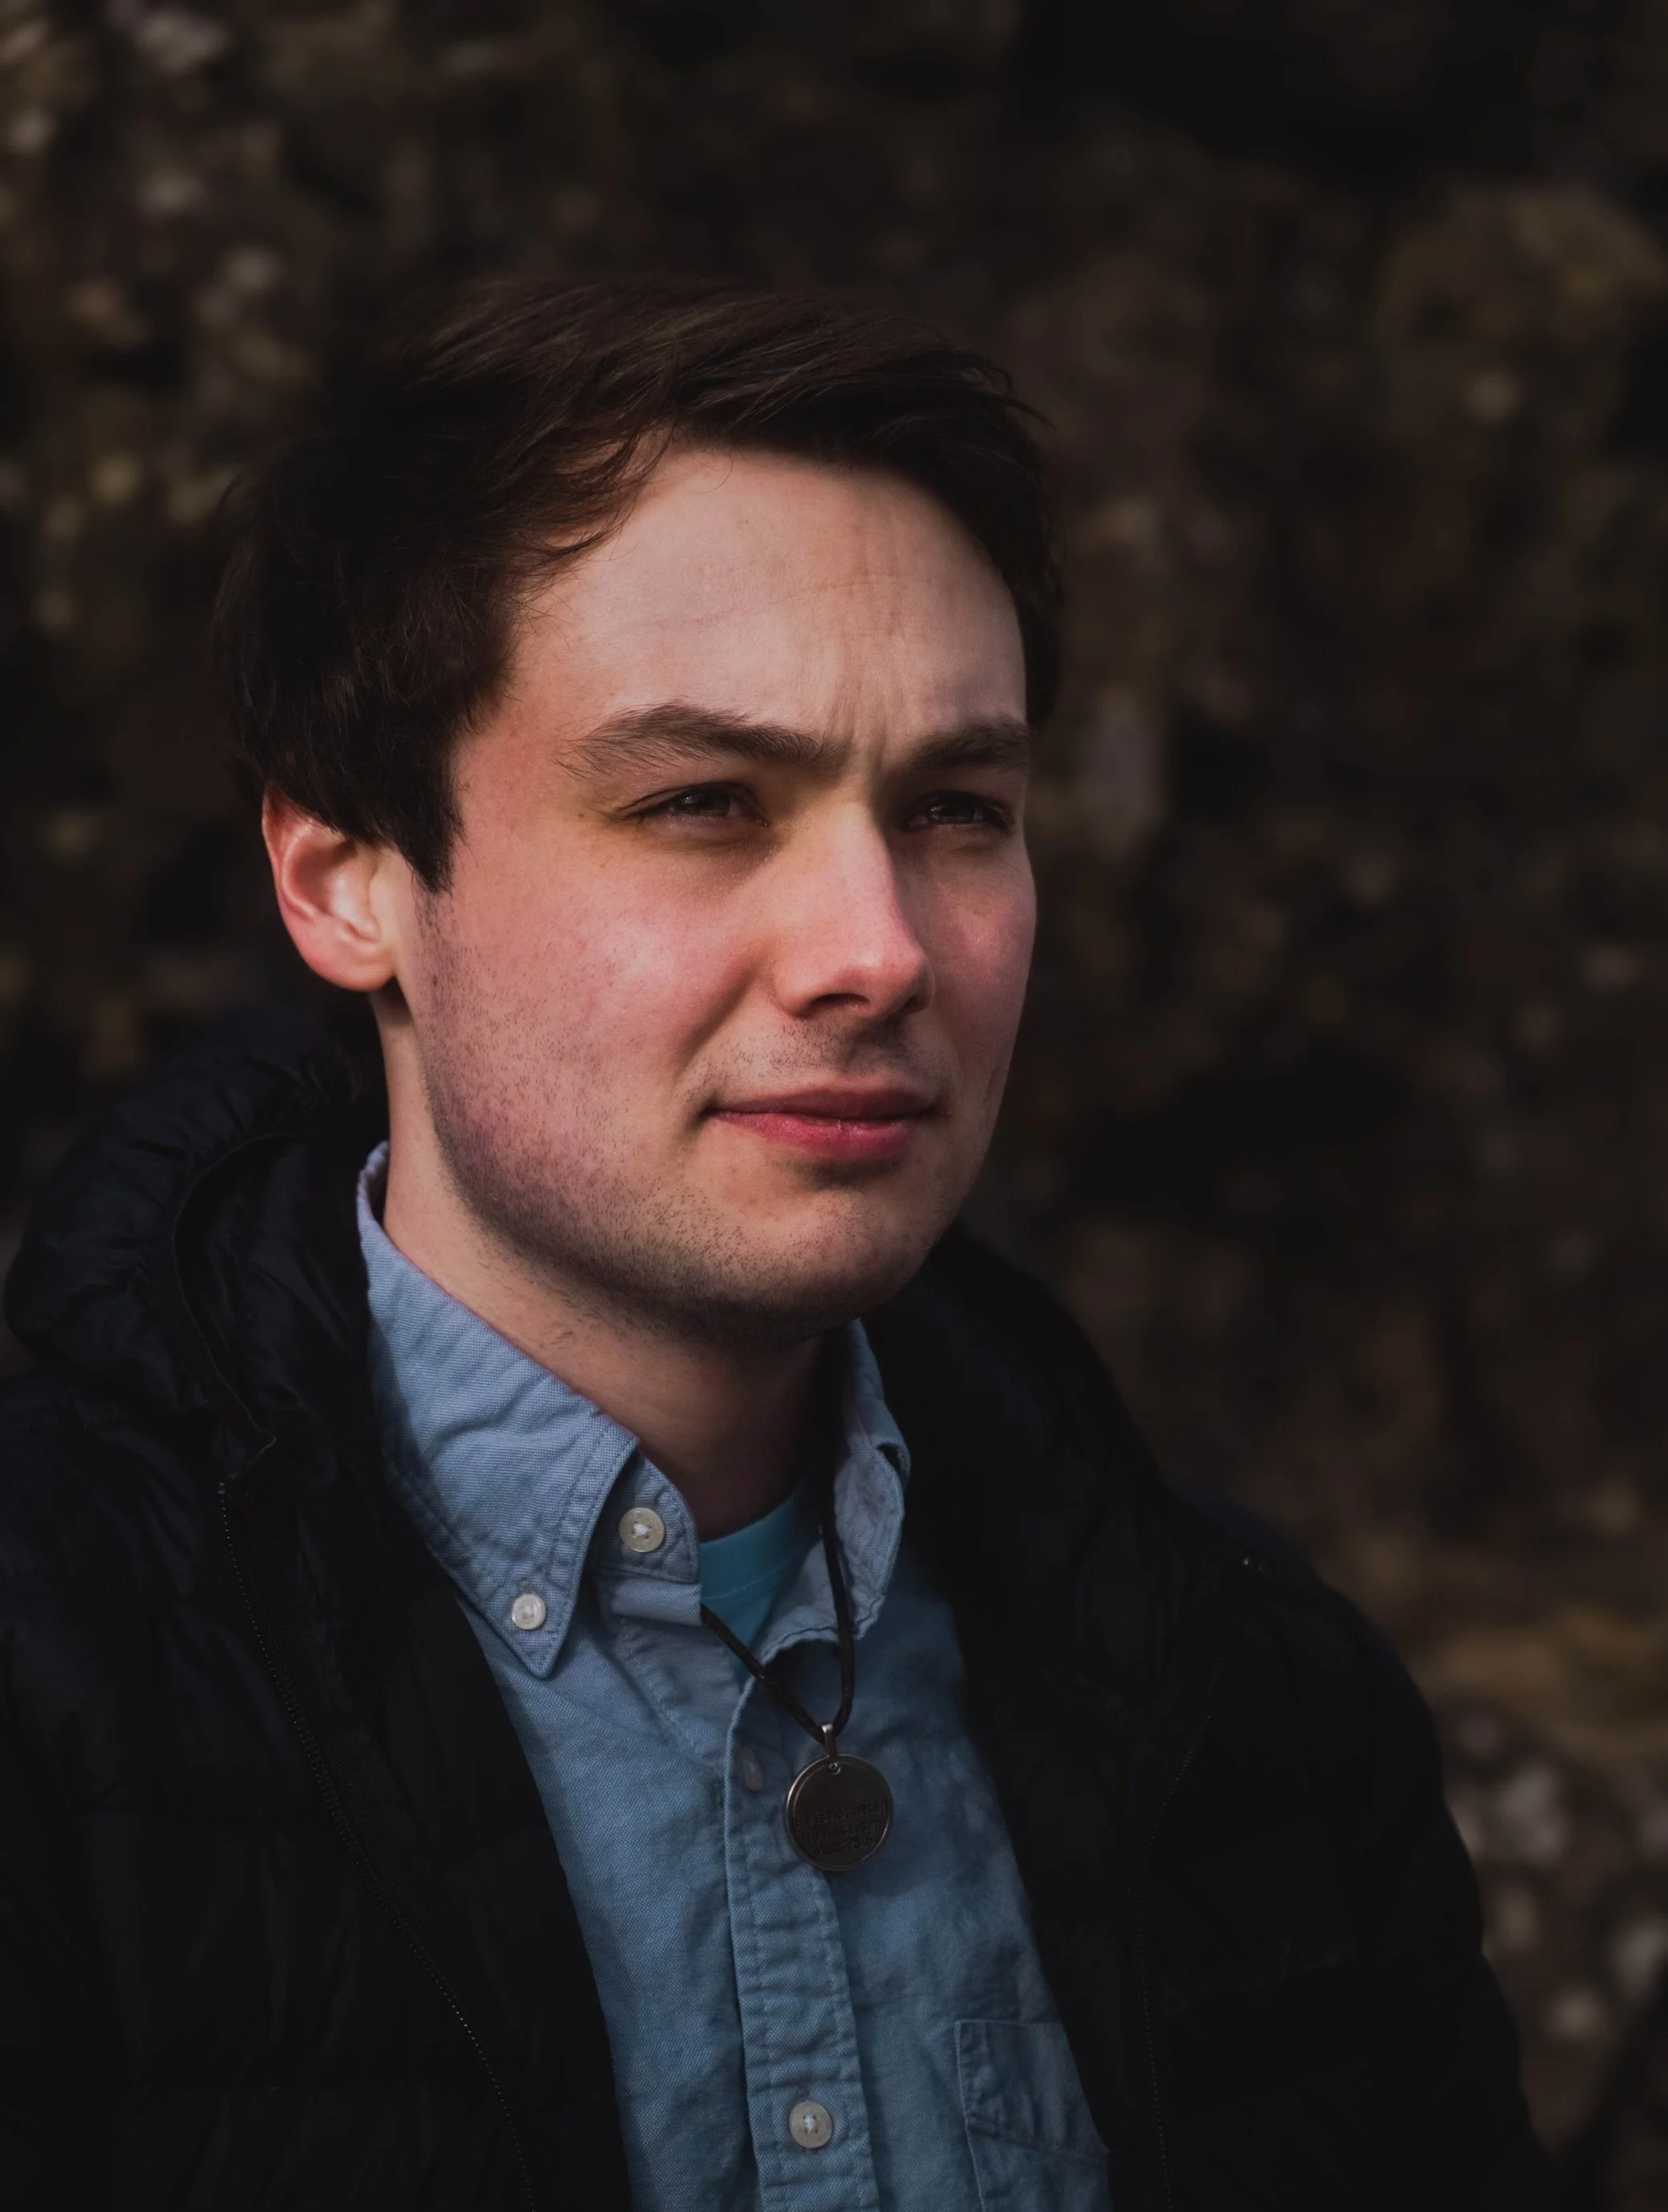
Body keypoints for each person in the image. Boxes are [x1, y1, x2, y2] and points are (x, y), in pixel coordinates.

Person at [0, 277, 1546, 2211]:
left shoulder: (1252, 1684)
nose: (878, 950)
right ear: (346, 880)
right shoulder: (52, 1687)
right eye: (700, 802)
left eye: (955, 806)